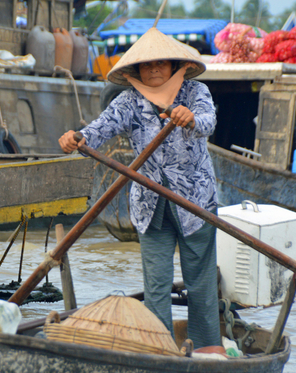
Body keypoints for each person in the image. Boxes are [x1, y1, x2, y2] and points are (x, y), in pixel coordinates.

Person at [58, 28, 220, 349]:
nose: (155, 69)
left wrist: (189, 119)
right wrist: (77, 138)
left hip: (195, 201)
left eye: (162, 63)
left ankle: (208, 347)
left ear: (175, 66)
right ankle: (160, 348)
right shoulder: (129, 102)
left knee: (200, 283)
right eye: (148, 65)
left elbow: (207, 121)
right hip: (150, 205)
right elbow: (99, 129)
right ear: (138, 71)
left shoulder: (194, 92)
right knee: (157, 285)